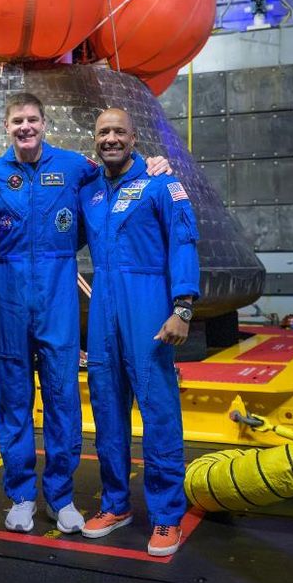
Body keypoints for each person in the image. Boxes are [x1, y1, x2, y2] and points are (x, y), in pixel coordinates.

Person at [0, 93, 170, 534]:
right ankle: (23, 495)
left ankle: (61, 496)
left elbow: (119, 172)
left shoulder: (74, 168)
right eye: (17, 122)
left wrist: (156, 163)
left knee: (63, 400)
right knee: (13, 402)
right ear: (6, 127)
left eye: (32, 119)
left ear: (45, 123)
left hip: (58, 296)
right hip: (7, 297)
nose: (25, 127)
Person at [78, 108, 200, 557]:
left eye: (119, 132)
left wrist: (183, 307)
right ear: (96, 139)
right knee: (107, 411)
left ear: (134, 137)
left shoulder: (160, 183)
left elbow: (184, 241)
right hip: (104, 305)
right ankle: (115, 505)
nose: (111, 138)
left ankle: (167, 517)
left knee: (158, 410)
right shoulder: (89, 190)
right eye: (103, 132)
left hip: (149, 303)